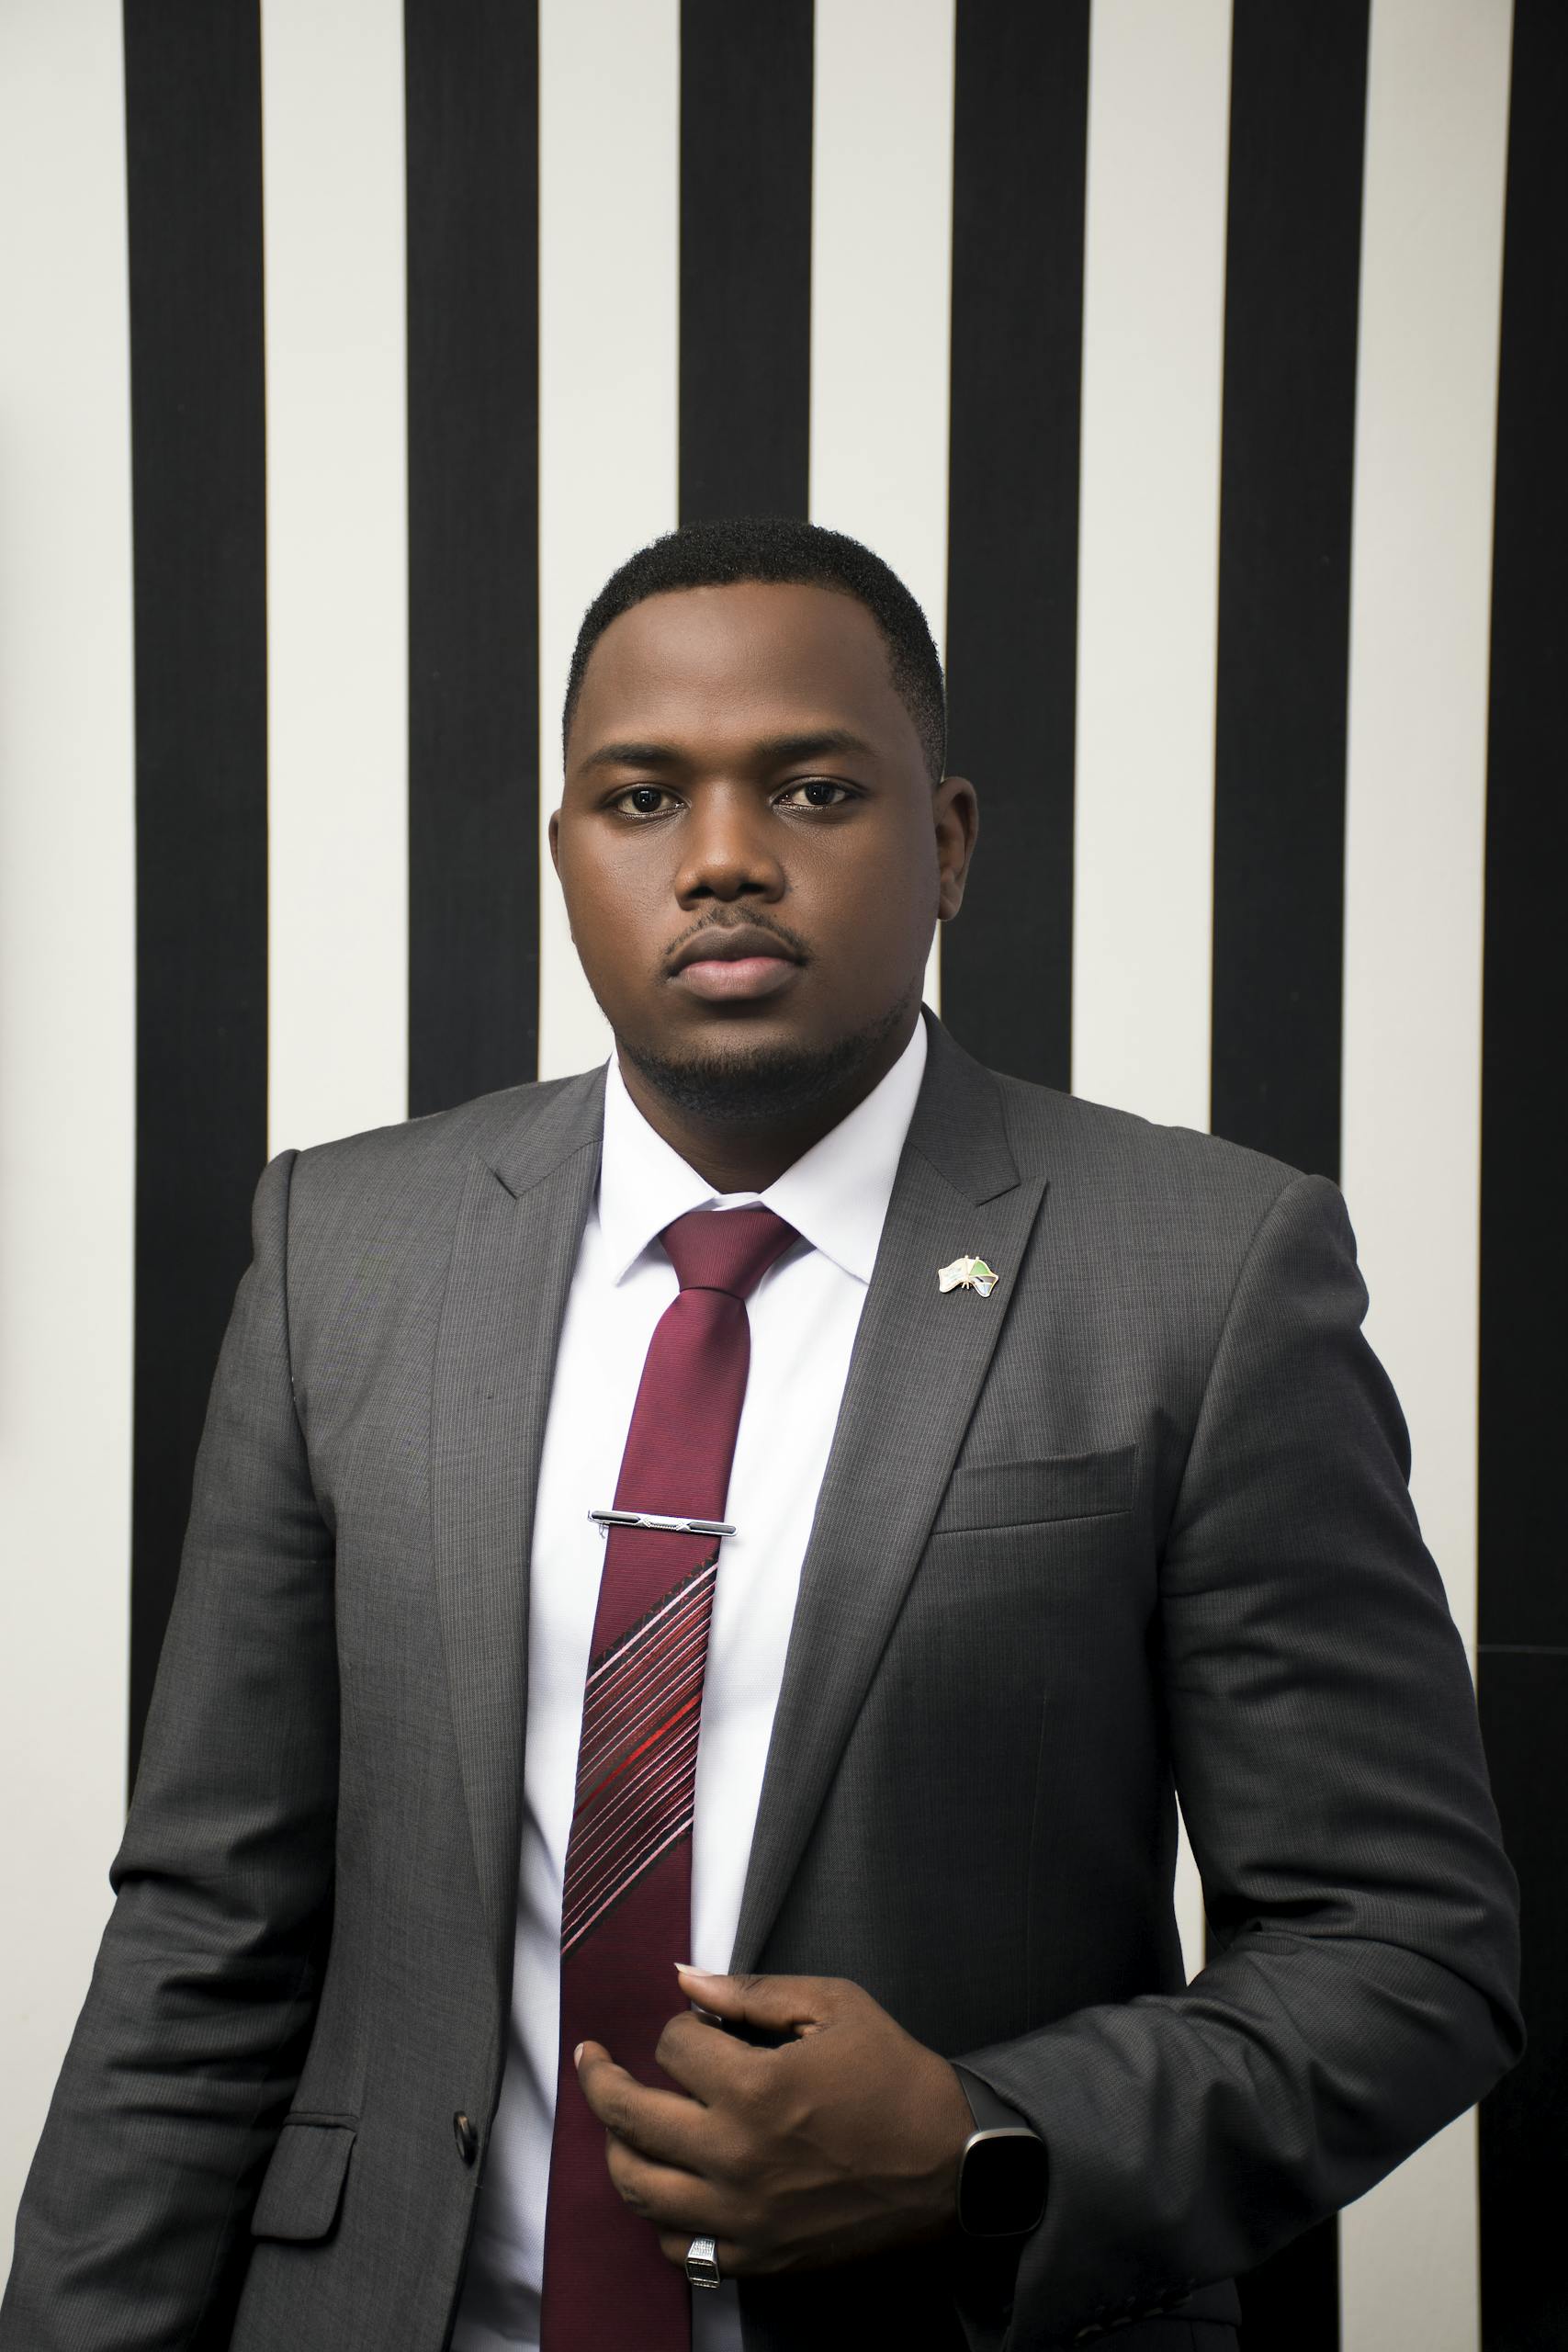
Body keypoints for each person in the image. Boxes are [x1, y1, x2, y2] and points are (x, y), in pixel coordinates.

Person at [1, 518, 1521, 2352]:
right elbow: (204, 1929)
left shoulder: (1202, 1270)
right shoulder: (346, 1248)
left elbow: (1403, 1944)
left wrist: (976, 2135)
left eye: (808, 788)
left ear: (945, 838)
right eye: (639, 799)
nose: (721, 858)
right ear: (564, 854)